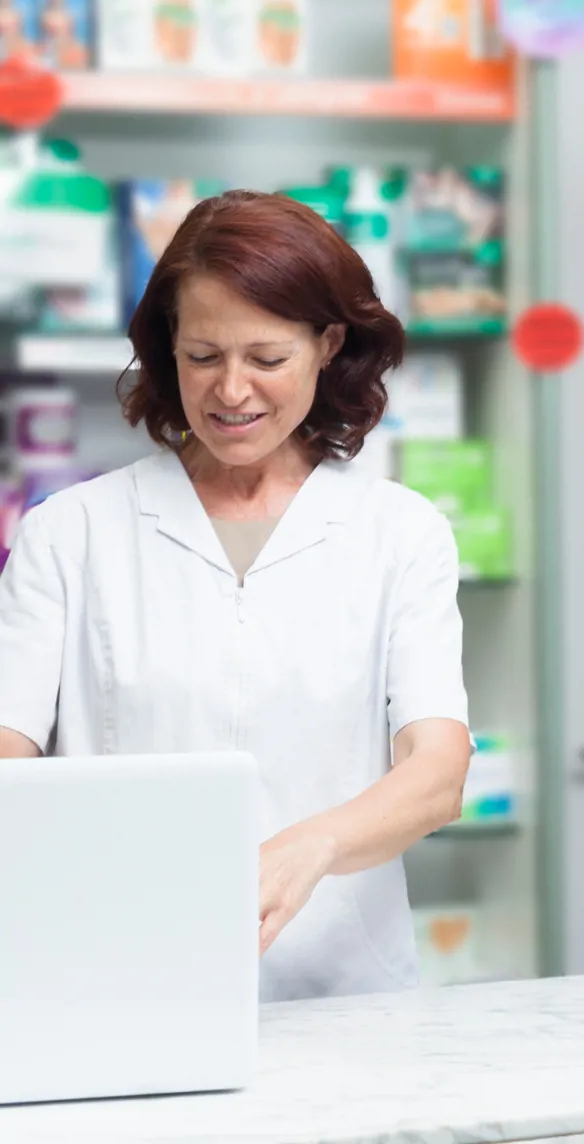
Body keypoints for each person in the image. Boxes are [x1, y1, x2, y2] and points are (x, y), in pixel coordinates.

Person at [0, 189, 472, 1003]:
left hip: (345, 994)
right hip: (118, 981)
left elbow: (437, 771)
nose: (231, 391)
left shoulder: (399, 531)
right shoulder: (71, 532)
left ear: (327, 345)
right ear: (166, 351)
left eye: (265, 357)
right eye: (203, 355)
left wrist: (308, 847)